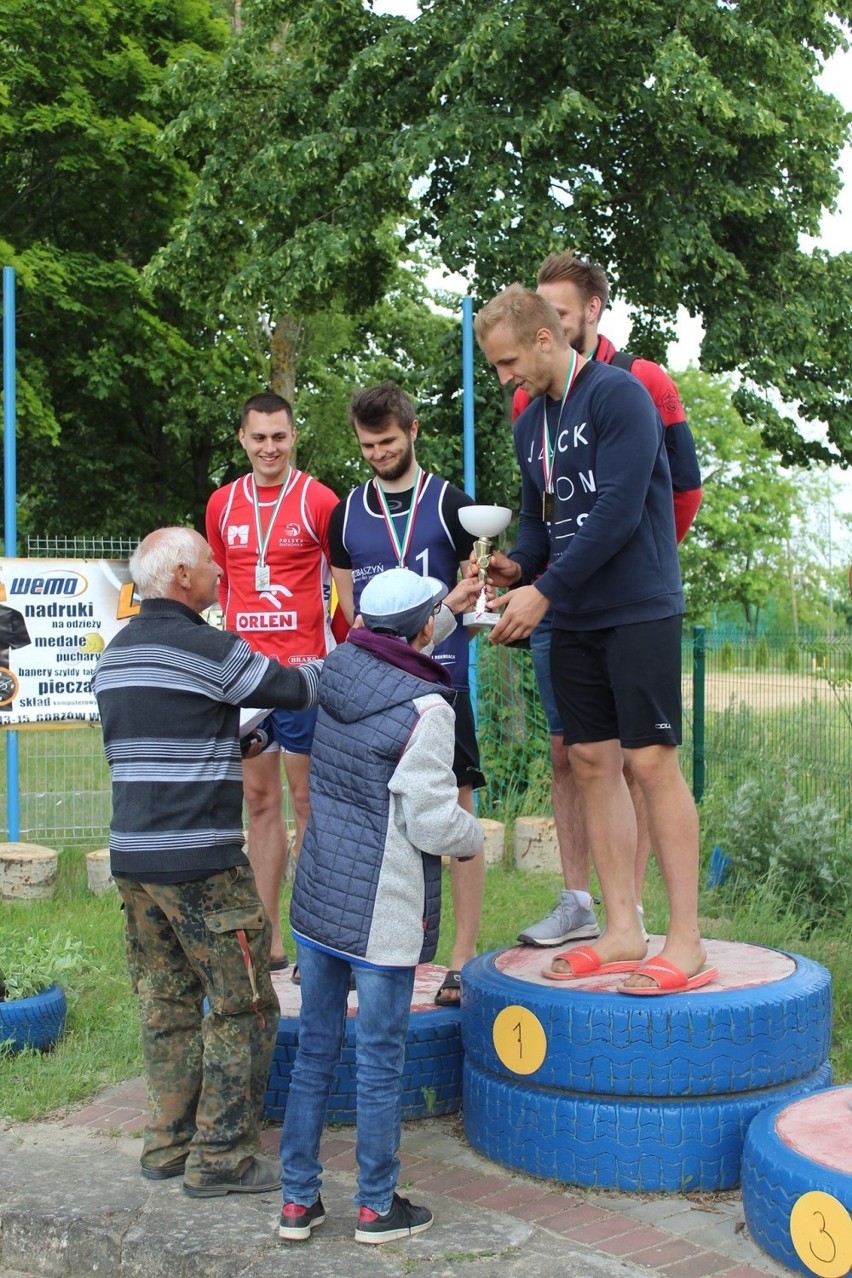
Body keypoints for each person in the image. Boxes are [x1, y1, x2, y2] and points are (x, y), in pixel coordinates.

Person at [474, 285, 715, 993]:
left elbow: (616, 511)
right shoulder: (530, 425)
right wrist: (516, 566)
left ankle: (687, 939)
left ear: (546, 339)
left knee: (650, 761)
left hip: (637, 603)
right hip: (573, 612)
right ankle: (620, 929)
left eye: (508, 361)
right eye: (494, 367)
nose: (504, 378)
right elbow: (540, 523)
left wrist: (542, 590)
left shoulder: (621, 395)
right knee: (588, 761)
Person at [92, 527, 323, 1195]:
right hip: (203, 863)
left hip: (135, 860)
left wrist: (228, 740)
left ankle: (167, 1145)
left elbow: (153, 738)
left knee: (165, 1005)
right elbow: (293, 689)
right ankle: (221, 1159)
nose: (220, 573)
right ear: (184, 577)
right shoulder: (211, 649)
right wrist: (362, 651)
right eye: (211, 565)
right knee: (244, 1005)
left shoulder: (114, 657)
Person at [278, 567, 483, 1244]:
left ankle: (297, 1203)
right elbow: (430, 822)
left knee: (316, 1052)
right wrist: (472, 833)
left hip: (319, 894)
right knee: (380, 1059)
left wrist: (442, 609)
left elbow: (398, 636)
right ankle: (375, 1206)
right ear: (423, 629)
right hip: (381, 907)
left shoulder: (335, 666)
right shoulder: (428, 709)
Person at [329, 382, 484, 1006]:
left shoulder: (451, 503)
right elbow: (346, 605)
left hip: (442, 683)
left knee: (456, 815)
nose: (377, 454)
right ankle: (363, 953)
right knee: (367, 821)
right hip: (373, 689)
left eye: (387, 442)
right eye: (367, 445)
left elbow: (477, 585)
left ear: (413, 431)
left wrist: (457, 604)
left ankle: (463, 958)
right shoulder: (346, 513)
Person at [206, 392, 339, 971]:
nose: (269, 448)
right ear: (242, 439)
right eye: (258, 437)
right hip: (246, 682)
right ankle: (266, 941)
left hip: (304, 675)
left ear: (293, 436)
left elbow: (343, 588)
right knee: (259, 803)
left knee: (309, 802)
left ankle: (312, 937)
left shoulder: (320, 500)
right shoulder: (221, 503)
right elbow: (222, 586)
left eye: (278, 437)